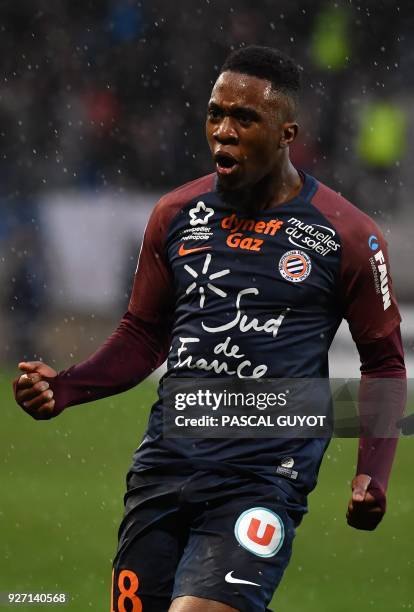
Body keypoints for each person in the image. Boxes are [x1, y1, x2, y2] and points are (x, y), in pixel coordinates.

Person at [13, 46, 406, 612]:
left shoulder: (348, 235)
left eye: (244, 119)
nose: (223, 132)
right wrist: (67, 388)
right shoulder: (175, 215)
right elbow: (145, 334)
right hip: (165, 465)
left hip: (263, 473)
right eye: (215, 114)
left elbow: (385, 362)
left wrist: (374, 473)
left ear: (286, 132)